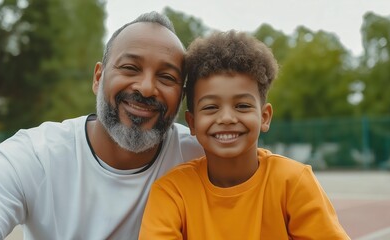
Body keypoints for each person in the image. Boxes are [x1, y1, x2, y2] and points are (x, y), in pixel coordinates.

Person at [0, 12, 204, 240]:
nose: (146, 88)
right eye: (130, 68)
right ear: (98, 78)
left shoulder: (203, 156)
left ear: (180, 95)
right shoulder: (34, 156)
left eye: (167, 77)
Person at [139, 30, 350, 239]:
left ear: (265, 117)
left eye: (242, 105)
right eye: (211, 107)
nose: (227, 118)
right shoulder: (172, 191)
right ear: (192, 122)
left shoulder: (293, 182)